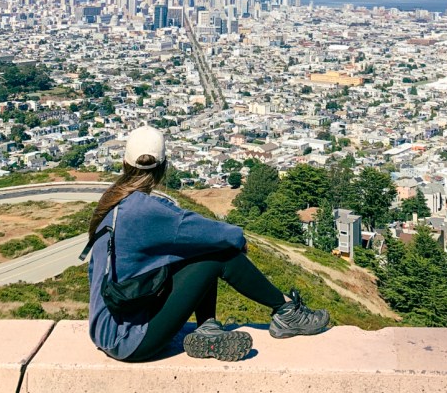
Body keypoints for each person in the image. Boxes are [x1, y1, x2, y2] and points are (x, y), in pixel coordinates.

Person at [86, 126, 329, 363]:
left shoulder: (112, 202)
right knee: (220, 255)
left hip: (106, 327)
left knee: (199, 250)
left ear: (124, 163)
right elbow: (222, 235)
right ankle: (286, 310)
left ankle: (207, 328)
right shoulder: (148, 211)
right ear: (164, 165)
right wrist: (239, 241)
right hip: (130, 339)